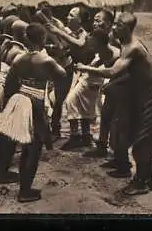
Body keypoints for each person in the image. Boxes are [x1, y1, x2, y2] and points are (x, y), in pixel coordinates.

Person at [75, 12, 152, 196]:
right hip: (147, 91)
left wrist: (85, 68)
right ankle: (148, 177)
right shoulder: (125, 44)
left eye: (118, 25)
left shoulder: (133, 47)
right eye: (114, 24)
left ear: (127, 28)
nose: (113, 27)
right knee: (139, 133)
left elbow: (113, 71)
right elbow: (129, 74)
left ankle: (141, 182)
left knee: (143, 140)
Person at [0, 23, 66, 202]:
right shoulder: (46, 61)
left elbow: (10, 86)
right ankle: (25, 191)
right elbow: (62, 75)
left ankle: (5, 175)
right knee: (32, 149)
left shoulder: (19, 59)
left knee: (14, 139)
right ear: (43, 39)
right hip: (36, 102)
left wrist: (11, 105)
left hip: (19, 98)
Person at [45, 8, 117, 150]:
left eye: (99, 20)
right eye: (94, 20)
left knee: (78, 103)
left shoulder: (109, 37)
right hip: (90, 72)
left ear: (108, 23)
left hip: (102, 74)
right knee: (83, 105)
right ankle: (85, 136)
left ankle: (84, 137)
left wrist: (58, 32)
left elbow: (85, 47)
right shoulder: (92, 34)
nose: (95, 23)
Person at [34, 1, 75, 142]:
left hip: (64, 64)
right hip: (49, 65)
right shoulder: (38, 27)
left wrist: (61, 47)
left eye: (47, 11)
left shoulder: (58, 25)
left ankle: (55, 128)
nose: (45, 14)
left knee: (58, 98)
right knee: (45, 98)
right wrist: (51, 46)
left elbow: (69, 43)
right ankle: (46, 127)